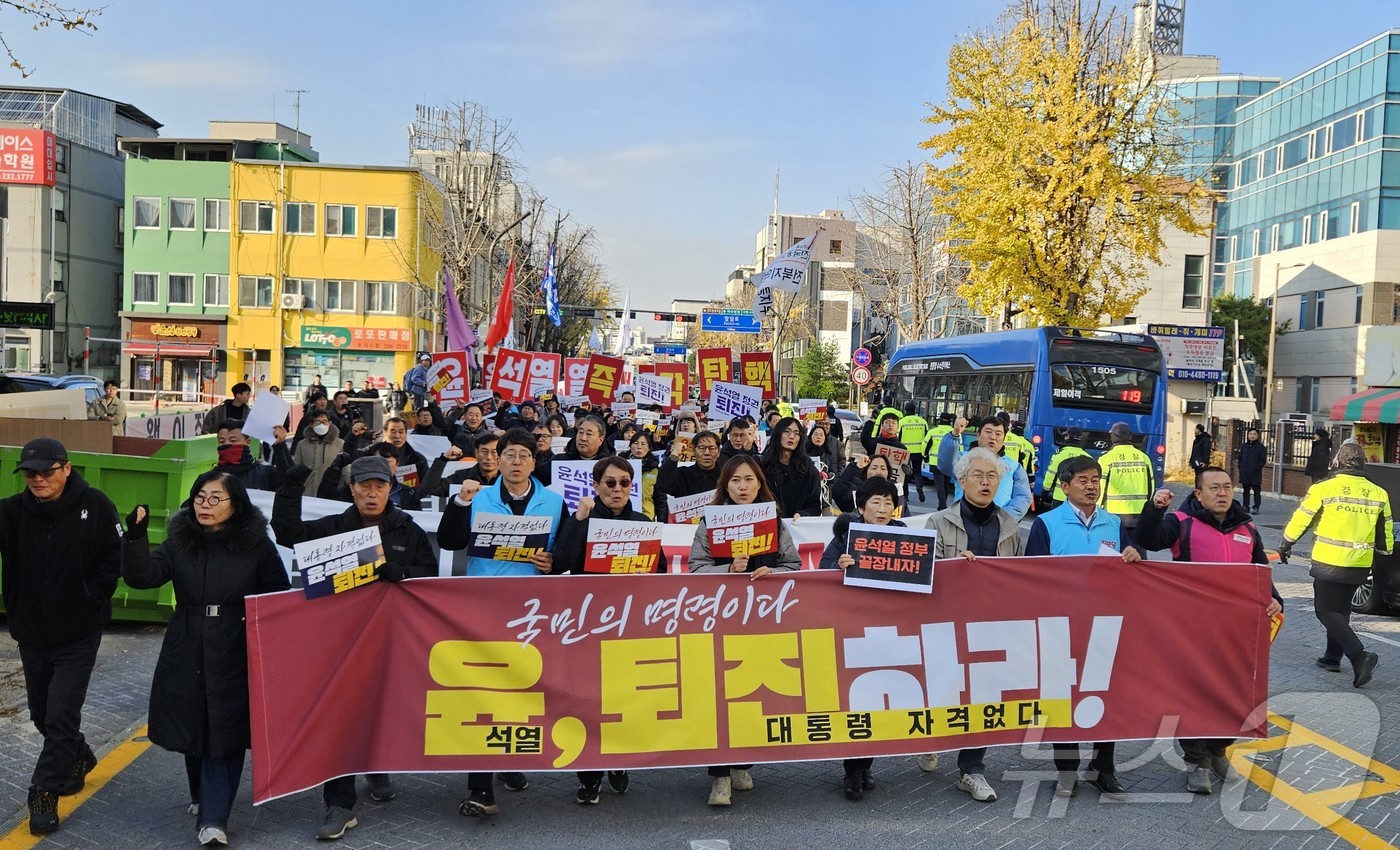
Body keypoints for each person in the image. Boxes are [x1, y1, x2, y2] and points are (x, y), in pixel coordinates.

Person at [120, 472, 290, 846]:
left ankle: (215, 819)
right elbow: (142, 577)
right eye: (200, 497)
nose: (205, 505)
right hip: (186, 641)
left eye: (216, 499)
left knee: (224, 731)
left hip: (235, 644)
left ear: (235, 504)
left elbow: (278, 596)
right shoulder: (180, 541)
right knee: (193, 726)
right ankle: (201, 796)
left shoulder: (257, 546)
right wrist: (134, 537)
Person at [273, 455, 437, 840]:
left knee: (381, 708)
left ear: (390, 489)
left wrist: (404, 574)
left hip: (390, 638)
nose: (371, 492)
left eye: (379, 485)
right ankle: (339, 803)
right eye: (364, 485)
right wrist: (291, 487)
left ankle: (377, 766)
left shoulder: (406, 529)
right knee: (341, 716)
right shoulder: (334, 527)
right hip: (339, 640)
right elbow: (286, 532)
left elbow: (430, 575)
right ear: (352, 489)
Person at [437, 429, 567, 818]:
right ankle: (480, 788)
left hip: (530, 611)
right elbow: (448, 541)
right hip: (485, 609)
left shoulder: (554, 502)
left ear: (533, 461)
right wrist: (460, 503)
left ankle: (509, 762)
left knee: (521, 688)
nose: (514, 461)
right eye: (507, 454)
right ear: (497, 458)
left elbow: (563, 552)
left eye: (523, 455)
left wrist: (552, 562)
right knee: (486, 690)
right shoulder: (478, 497)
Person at [1135, 467, 1283, 794]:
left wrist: (1275, 599)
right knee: (1196, 695)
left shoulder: (1246, 526)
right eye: (1214, 488)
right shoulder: (1182, 523)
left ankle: (1219, 749)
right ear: (1198, 494)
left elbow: (1260, 570)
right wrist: (1155, 508)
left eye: (1227, 487)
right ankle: (1196, 761)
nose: (1222, 493)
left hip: (1236, 630)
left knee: (1235, 693)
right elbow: (1147, 539)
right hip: (1194, 630)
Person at [0, 438, 121, 836]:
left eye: (46, 471)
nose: (37, 479)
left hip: (78, 633)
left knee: (60, 714)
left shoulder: (97, 505)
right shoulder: (13, 512)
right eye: (30, 473)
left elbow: (112, 560)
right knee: (41, 714)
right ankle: (79, 755)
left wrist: (92, 597)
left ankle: (44, 792)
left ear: (66, 468)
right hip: (32, 632)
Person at [1025, 455, 1143, 800]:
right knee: (1063, 699)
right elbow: (1033, 580)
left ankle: (1103, 767)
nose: (1091, 486)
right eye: (1083, 481)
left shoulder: (1114, 524)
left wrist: (1136, 556)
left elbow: (1134, 573)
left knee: (1107, 697)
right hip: (1061, 627)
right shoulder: (1046, 525)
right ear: (1064, 487)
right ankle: (1066, 771)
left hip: (1106, 625)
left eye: (1095, 480)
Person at [914, 446, 1025, 804]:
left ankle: (972, 769)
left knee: (983, 696)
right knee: (944, 690)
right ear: (961, 481)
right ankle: (931, 739)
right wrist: (953, 569)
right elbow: (924, 575)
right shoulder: (938, 522)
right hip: (946, 625)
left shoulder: (1011, 527)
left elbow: (1022, 578)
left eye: (992, 476)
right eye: (977, 475)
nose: (985, 482)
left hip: (991, 627)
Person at [688, 455, 799, 806]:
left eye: (749, 479)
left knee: (752, 697)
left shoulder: (773, 521)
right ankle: (719, 776)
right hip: (720, 620)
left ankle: (742, 764)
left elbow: (792, 564)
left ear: (759, 483)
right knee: (719, 696)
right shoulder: (710, 522)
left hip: (762, 621)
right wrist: (726, 570)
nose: (743, 486)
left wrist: (773, 574)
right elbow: (695, 567)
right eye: (735, 481)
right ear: (725, 486)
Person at [550, 455, 652, 804]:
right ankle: (590, 776)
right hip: (587, 623)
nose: (618, 489)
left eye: (625, 483)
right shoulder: (582, 518)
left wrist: (647, 572)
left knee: (623, 697)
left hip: (627, 623)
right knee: (587, 699)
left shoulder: (642, 521)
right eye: (611, 483)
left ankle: (619, 760)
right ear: (596, 485)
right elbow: (560, 562)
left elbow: (661, 569)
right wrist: (579, 519)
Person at [819, 476, 904, 800]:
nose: (882, 510)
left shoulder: (906, 537)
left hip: (889, 630)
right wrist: (839, 569)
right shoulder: (845, 536)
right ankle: (852, 771)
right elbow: (822, 573)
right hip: (853, 631)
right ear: (861, 507)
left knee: (880, 702)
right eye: (875, 503)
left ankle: (865, 764)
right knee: (858, 702)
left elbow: (929, 574)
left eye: (887, 503)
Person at [1279, 443, 1392, 688]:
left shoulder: (1323, 488)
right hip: (1359, 564)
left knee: (1324, 610)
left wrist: (1286, 543)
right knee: (1340, 611)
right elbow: (1386, 532)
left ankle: (1359, 655)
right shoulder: (1378, 493)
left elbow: (1302, 519)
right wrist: (1385, 555)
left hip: (1329, 560)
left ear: (1337, 463)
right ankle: (1332, 657)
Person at [936, 416, 1032, 520]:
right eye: (988, 431)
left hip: (999, 526)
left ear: (1003, 439)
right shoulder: (963, 459)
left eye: (998, 434)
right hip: (963, 521)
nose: (993, 437)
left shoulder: (1014, 467)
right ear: (978, 435)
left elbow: (1023, 497)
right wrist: (954, 433)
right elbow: (945, 464)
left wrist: (1003, 519)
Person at [1098, 422, 1155, 539]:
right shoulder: (1144, 457)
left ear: (1113, 436)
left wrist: (1097, 510)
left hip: (1113, 514)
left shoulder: (1106, 459)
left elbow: (1100, 487)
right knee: (1137, 552)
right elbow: (1151, 486)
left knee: (1113, 551)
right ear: (1130, 436)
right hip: (1138, 514)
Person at [759, 416, 821, 518]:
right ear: (778, 434)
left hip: (796, 527)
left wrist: (802, 514)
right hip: (770, 526)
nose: (792, 436)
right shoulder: (763, 464)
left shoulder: (808, 468)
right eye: (787, 431)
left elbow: (815, 506)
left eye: (796, 433)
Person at [655, 431, 723, 523]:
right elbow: (663, 485)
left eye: (712, 448)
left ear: (718, 452)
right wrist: (674, 455)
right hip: (685, 531)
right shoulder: (683, 474)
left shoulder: (726, 477)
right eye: (702, 448)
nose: (707, 453)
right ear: (694, 451)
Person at [214, 419, 291, 491]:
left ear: (247, 442)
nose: (227, 443)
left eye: (233, 440)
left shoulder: (265, 474)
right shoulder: (209, 478)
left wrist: (280, 445)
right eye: (221, 441)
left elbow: (290, 483)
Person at [292, 408, 345, 498]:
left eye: (325, 421)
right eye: (318, 422)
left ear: (329, 423)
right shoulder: (302, 444)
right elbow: (297, 468)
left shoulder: (340, 444)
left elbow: (346, 470)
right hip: (308, 492)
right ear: (311, 424)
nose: (322, 425)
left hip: (332, 492)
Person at [831, 453, 900, 515]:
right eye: (874, 468)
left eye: (883, 468)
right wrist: (856, 467)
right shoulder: (858, 490)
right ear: (865, 472)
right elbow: (838, 492)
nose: (879, 472)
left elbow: (904, 514)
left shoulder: (895, 489)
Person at [1039, 427, 1090, 510]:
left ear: (1067, 437)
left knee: (1057, 522)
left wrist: (1044, 494)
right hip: (1078, 500)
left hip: (1059, 498)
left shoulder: (1059, 455)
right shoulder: (1087, 457)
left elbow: (1050, 476)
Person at [898, 402, 930, 503]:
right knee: (917, 472)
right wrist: (926, 453)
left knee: (904, 473)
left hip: (905, 452)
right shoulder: (922, 421)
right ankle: (919, 489)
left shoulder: (902, 422)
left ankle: (906, 495)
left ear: (905, 410)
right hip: (918, 451)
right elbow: (927, 438)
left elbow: (897, 438)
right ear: (915, 410)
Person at [923, 413, 955, 510]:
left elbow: (925, 445)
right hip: (949, 463)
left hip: (935, 462)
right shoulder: (955, 433)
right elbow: (959, 447)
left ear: (939, 420)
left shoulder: (933, 432)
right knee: (946, 484)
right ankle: (942, 503)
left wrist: (925, 456)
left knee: (939, 485)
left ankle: (942, 505)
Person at [628, 431, 660, 519]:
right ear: (630, 446)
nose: (639, 447)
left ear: (649, 447)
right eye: (636, 443)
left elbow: (660, 499)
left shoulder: (654, 469)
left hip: (647, 517)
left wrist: (663, 521)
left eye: (643, 444)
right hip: (624, 517)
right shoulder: (619, 466)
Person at [1237, 428, 1266, 514]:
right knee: (1246, 491)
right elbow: (1240, 458)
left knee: (1256, 491)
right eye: (1250, 434)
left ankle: (1256, 507)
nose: (1252, 436)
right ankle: (1245, 506)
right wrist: (1241, 467)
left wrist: (1256, 468)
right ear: (1248, 435)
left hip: (1255, 473)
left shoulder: (1261, 447)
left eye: (1254, 434)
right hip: (1245, 472)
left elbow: (1262, 461)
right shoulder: (1244, 446)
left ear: (1257, 435)